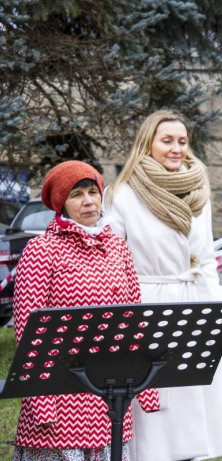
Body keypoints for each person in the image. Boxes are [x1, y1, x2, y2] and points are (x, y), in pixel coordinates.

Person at [103, 110, 222, 461]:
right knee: (157, 404)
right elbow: (113, 260)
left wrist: (213, 310)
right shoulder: (122, 194)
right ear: (148, 144)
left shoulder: (198, 190)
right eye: (167, 141)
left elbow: (205, 256)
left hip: (194, 301)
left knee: (192, 398)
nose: (176, 149)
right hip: (148, 304)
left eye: (182, 141)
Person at [12, 160, 160, 461]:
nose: (89, 201)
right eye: (77, 195)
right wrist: (42, 401)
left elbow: (134, 317)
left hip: (110, 392)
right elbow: (29, 329)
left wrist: (147, 387)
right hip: (62, 394)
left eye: (93, 191)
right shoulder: (42, 249)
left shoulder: (118, 248)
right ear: (61, 203)